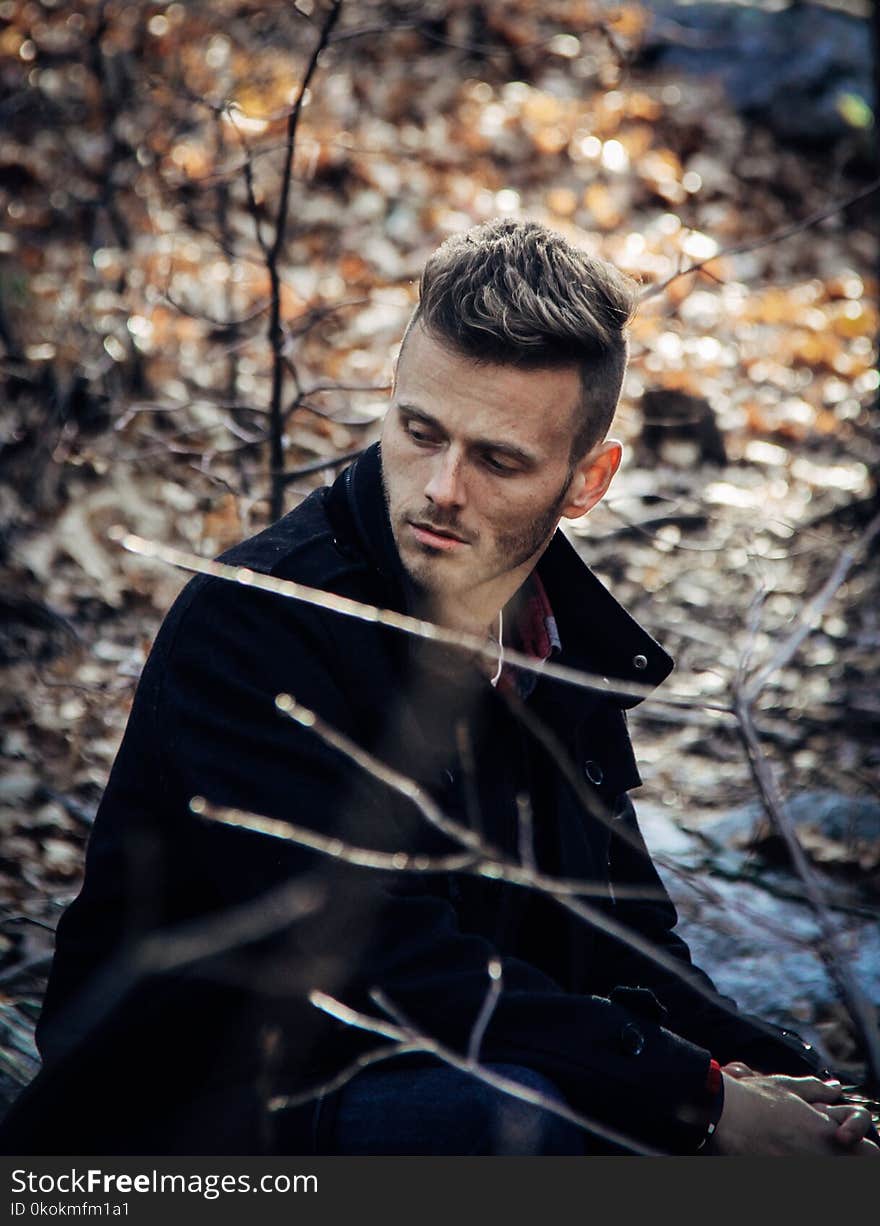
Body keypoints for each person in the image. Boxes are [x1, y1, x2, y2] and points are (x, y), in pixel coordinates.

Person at [2, 219, 876, 1157]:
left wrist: (794, 1093)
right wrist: (693, 1100)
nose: (439, 490)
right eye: (418, 432)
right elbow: (382, 964)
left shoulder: (557, 646)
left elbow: (619, 939)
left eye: (498, 459)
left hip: (405, 1090)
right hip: (172, 1141)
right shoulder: (257, 624)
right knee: (526, 1120)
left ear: (588, 480)